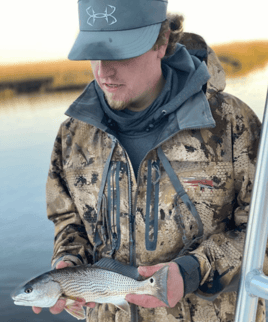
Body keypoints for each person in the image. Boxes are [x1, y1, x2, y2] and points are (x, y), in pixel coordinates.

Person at [32, 0, 267, 321]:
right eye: (93, 53)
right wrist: (68, 266)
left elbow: (262, 232)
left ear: (162, 41)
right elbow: (69, 222)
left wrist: (193, 270)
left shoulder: (231, 122)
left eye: (121, 53)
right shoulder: (73, 134)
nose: (103, 70)